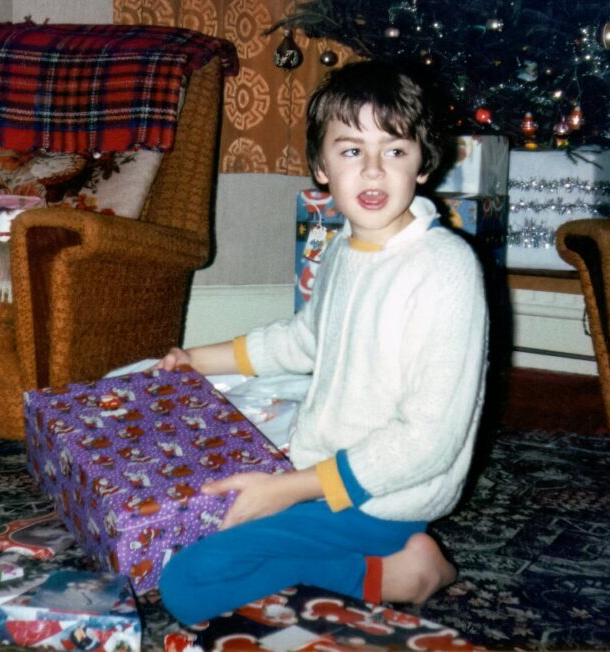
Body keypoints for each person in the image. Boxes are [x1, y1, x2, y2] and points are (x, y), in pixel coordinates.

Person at [156, 59, 489, 625]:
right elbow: (304, 340)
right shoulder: (341, 251)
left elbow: (428, 440)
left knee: (186, 583)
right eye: (352, 150)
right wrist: (196, 359)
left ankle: (399, 575)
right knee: (187, 507)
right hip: (323, 470)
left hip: (385, 495)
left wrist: (288, 489)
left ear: (423, 163)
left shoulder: (444, 267)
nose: (374, 171)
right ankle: (347, 552)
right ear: (321, 166)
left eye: (395, 150)